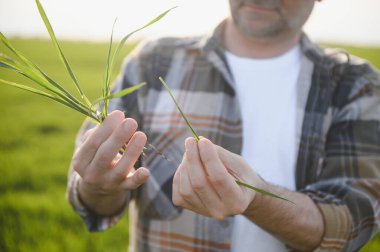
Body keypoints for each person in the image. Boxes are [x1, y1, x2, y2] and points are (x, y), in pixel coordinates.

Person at [67, 0, 380, 251]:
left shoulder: (355, 86)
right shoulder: (153, 61)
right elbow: (94, 201)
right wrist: (96, 186)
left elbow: (352, 224)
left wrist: (255, 198)